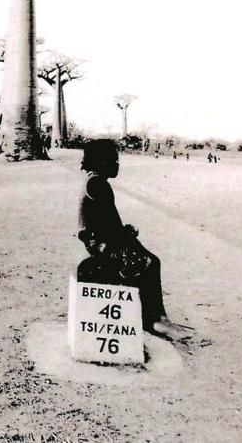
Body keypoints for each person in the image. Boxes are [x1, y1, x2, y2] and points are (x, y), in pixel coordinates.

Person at [77, 139, 190, 339]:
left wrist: (124, 231)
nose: (117, 165)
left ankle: (155, 318)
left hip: (98, 240)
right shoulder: (98, 184)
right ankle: (156, 320)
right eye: (114, 159)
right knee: (150, 263)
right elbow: (110, 225)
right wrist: (126, 233)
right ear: (102, 161)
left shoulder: (93, 181)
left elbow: (108, 221)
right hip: (100, 244)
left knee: (145, 257)